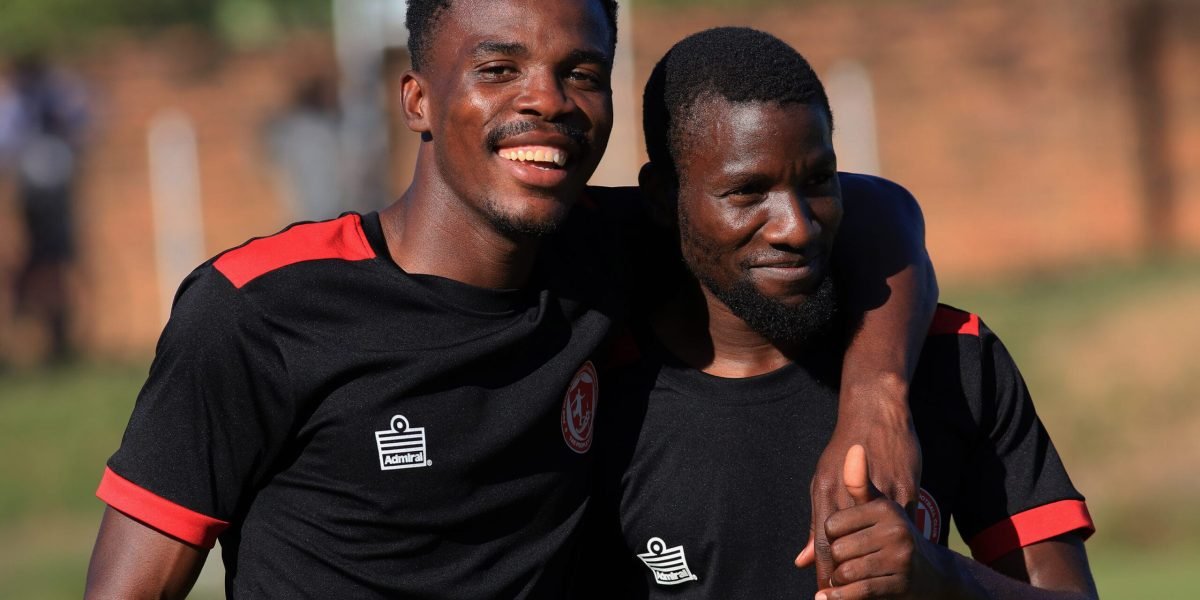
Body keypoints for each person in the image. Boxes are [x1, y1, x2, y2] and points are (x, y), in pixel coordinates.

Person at [85, 3, 935, 598]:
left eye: (582, 73)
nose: (547, 100)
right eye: (499, 69)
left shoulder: (604, 250)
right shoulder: (261, 310)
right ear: (418, 100)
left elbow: (876, 209)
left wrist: (875, 398)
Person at [582, 27, 1097, 599]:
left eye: (817, 181)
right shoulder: (598, 387)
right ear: (662, 196)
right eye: (747, 192)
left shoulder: (952, 355)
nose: (797, 227)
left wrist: (939, 576)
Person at [0, 53, 90, 362]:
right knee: (37, 265)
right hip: (31, 196)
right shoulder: (15, 102)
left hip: (59, 193)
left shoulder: (60, 92)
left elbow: (85, 122)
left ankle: (60, 335)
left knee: (59, 264)